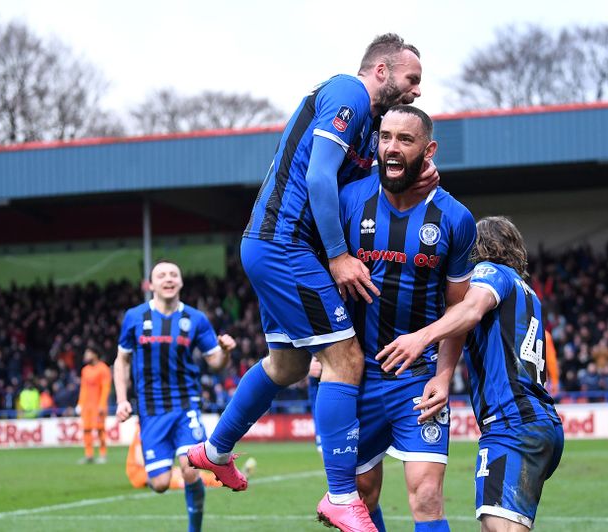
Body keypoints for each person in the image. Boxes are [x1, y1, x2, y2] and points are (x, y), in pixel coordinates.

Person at [188, 33, 430, 531]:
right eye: (412, 79)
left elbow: (349, 187)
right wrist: (339, 256)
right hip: (287, 246)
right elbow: (320, 178)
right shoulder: (347, 92)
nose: (417, 91)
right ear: (381, 71)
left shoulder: (365, 126)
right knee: (345, 360)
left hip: (275, 245)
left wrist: (409, 180)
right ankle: (341, 496)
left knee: (288, 363)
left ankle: (215, 449)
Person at [377, 216, 564, 532]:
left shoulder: (490, 272)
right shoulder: (528, 293)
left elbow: (470, 309)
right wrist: (444, 376)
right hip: (540, 424)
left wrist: (421, 337)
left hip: (511, 425)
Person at [341, 105, 475, 531]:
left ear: (429, 149)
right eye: (385, 138)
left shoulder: (454, 218)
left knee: (427, 495)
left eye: (405, 139)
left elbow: (459, 308)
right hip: (356, 374)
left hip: (418, 377)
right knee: (361, 493)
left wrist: (444, 375)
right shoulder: (350, 200)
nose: (392, 148)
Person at [114, 259, 236, 532]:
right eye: (162, 275)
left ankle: (195, 529)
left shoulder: (195, 319)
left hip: (185, 405)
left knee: (189, 467)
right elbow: (121, 360)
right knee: (158, 485)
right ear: (150, 284)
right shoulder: (135, 317)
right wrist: (122, 400)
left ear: (180, 283)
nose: (168, 279)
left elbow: (215, 362)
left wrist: (226, 351)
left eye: (173, 275)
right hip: (151, 409)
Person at [76, 345, 112, 464]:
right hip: (87, 406)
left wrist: (102, 404)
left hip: (98, 404)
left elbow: (106, 388)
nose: (86, 356)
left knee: (100, 429)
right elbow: (83, 388)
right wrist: (80, 404)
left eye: (88, 353)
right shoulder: (85, 370)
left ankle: (103, 454)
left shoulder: (103, 369)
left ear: (95, 354)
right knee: (86, 429)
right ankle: (89, 455)